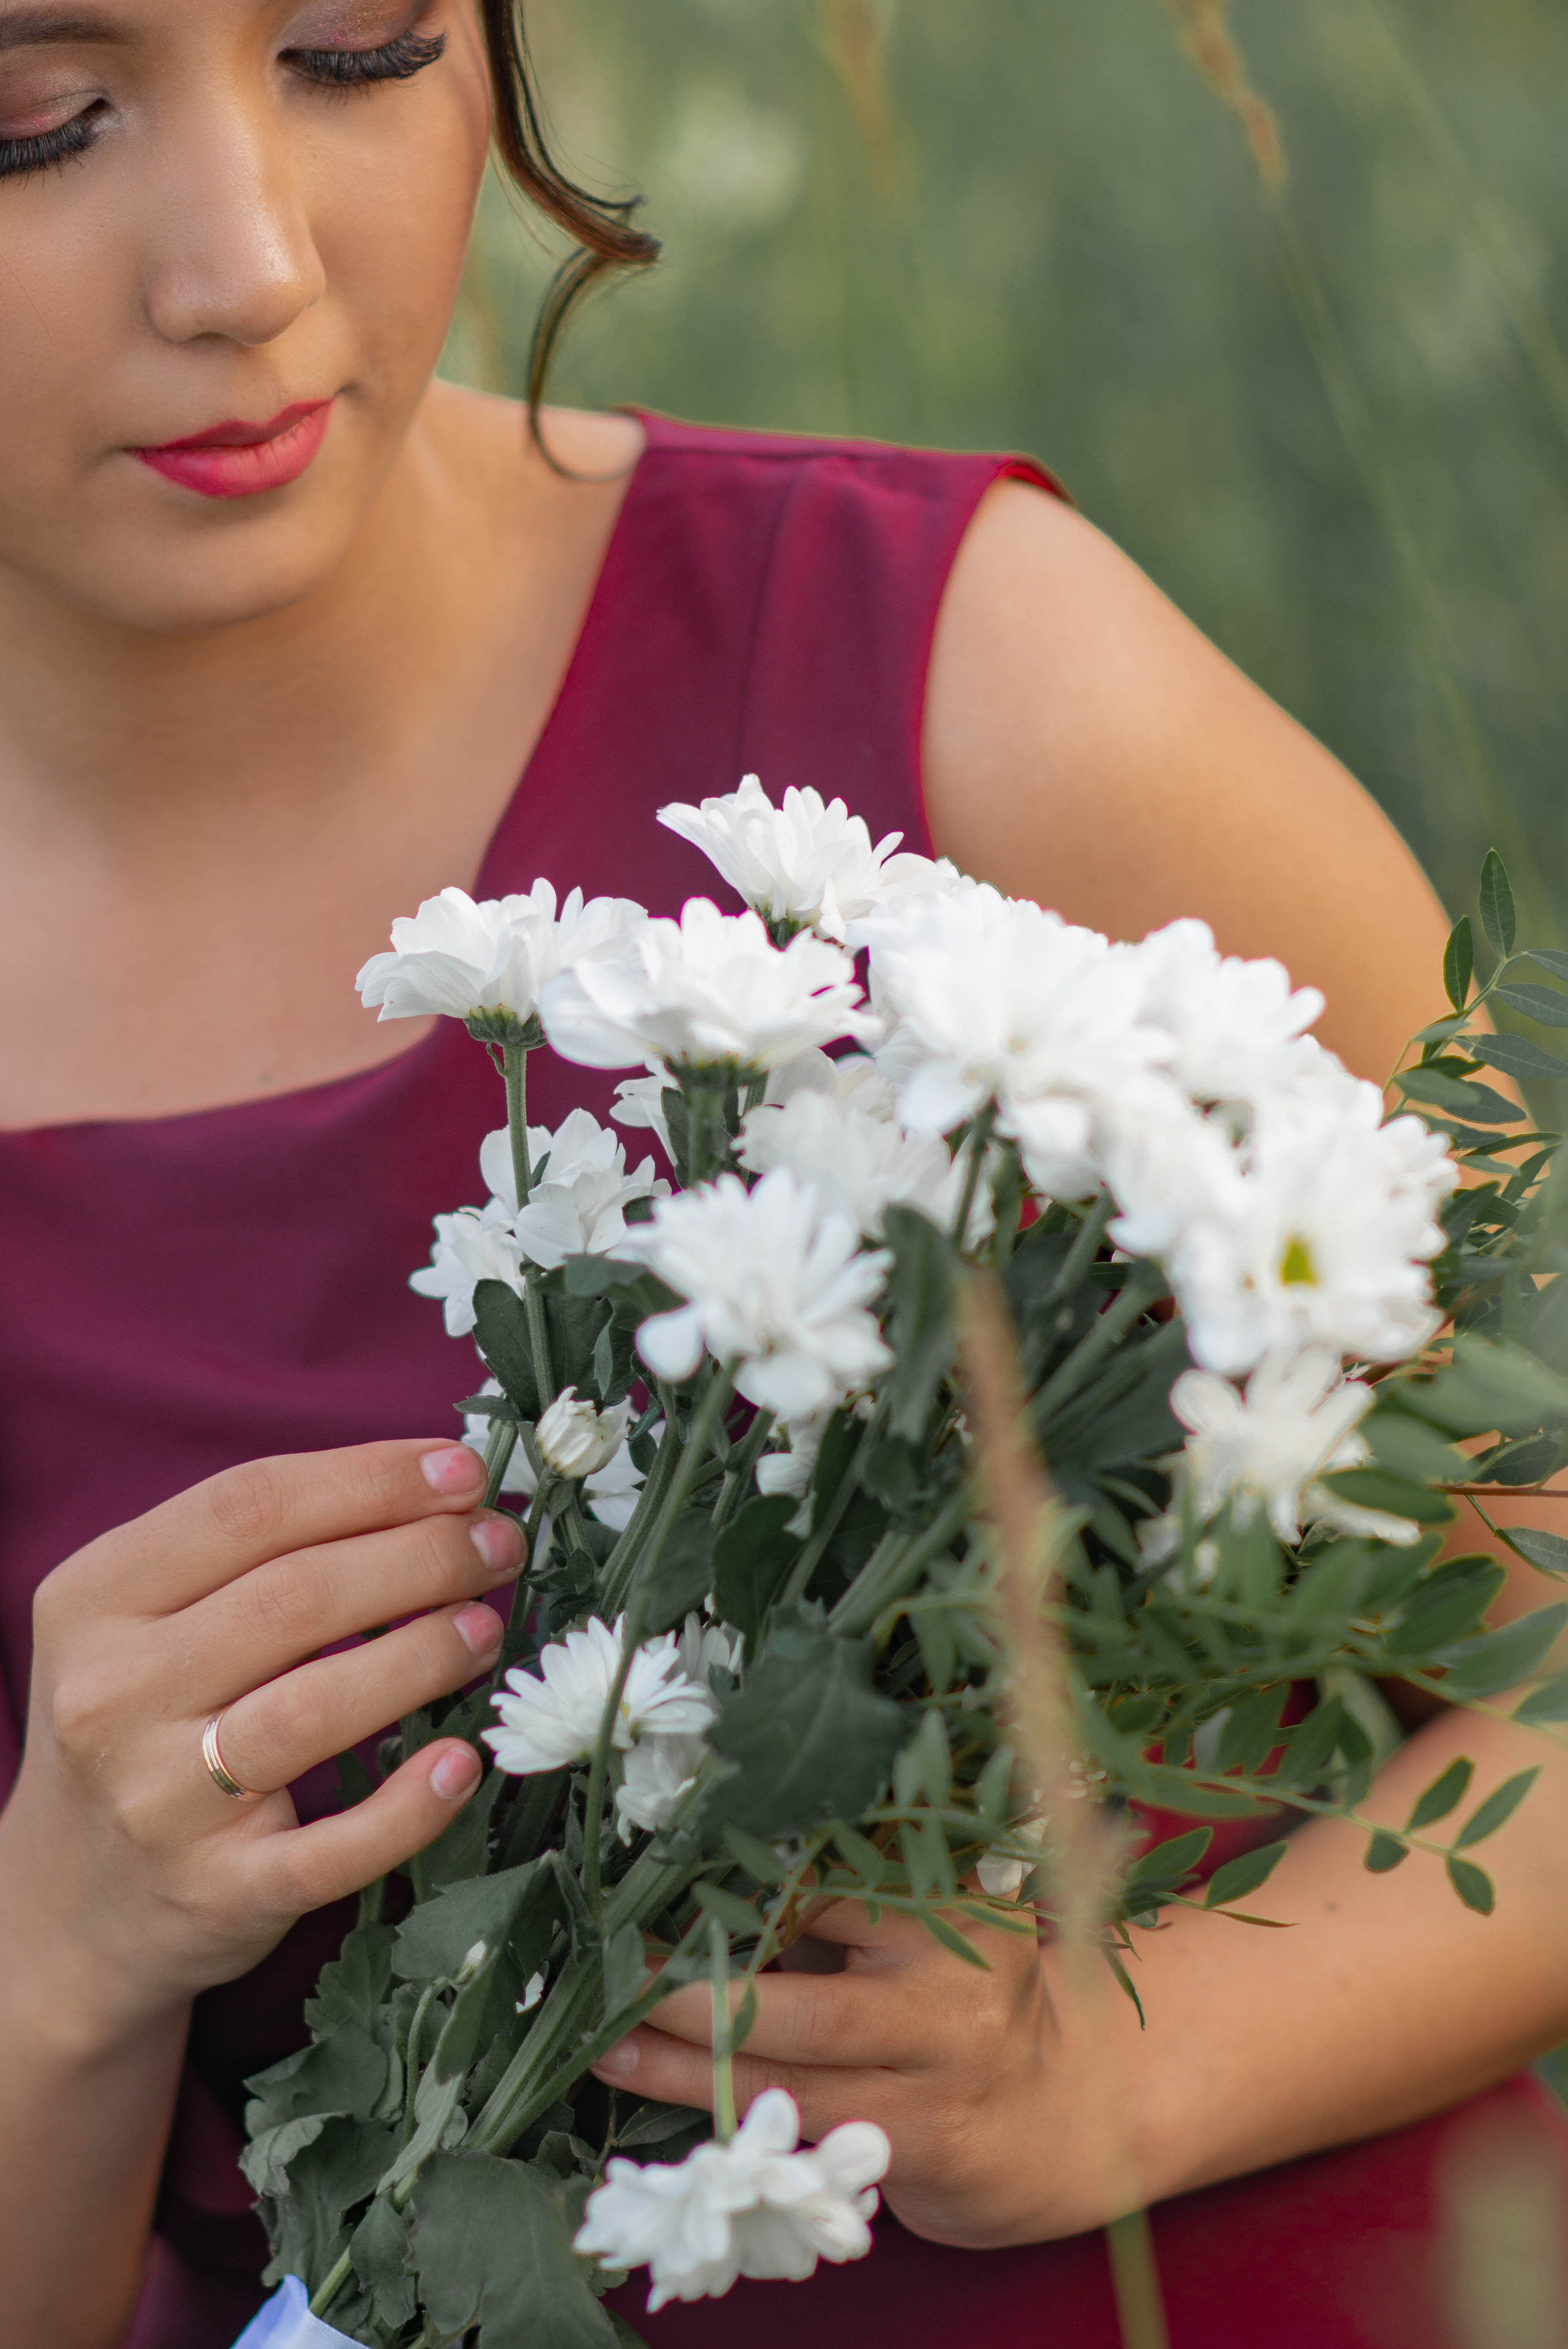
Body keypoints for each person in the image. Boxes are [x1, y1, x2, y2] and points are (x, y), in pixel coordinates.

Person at [1, 6, 1564, 2347]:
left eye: (355, 44)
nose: (244, 266)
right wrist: (65, 1959)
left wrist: (1122, 2071)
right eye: (30, 118)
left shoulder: (978, 680)